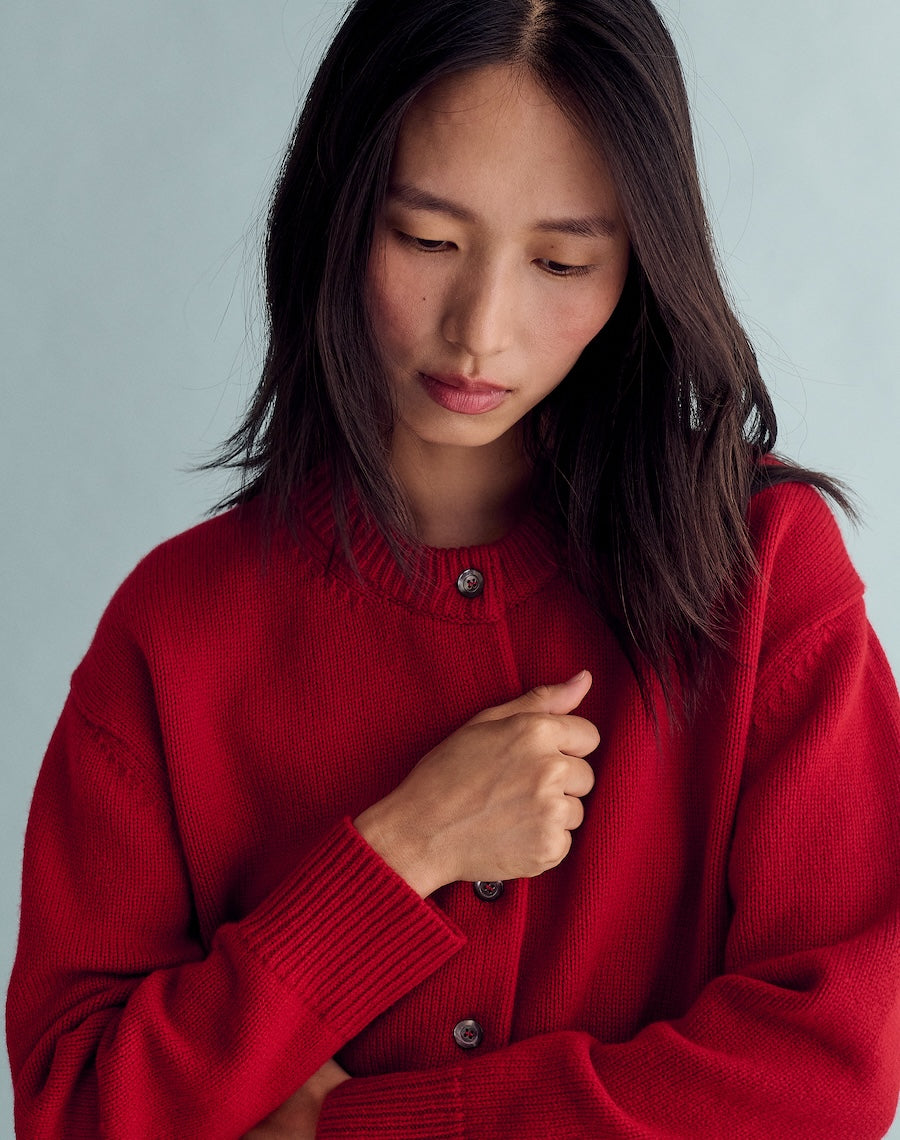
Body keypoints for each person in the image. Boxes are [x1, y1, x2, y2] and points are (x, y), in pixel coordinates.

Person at [7, 0, 900, 1136]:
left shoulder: (764, 572)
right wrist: (405, 847)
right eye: (426, 241)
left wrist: (373, 1127)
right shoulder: (176, 631)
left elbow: (832, 1065)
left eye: (562, 260)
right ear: (336, 215)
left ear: (641, 265)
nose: (482, 331)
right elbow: (75, 1106)